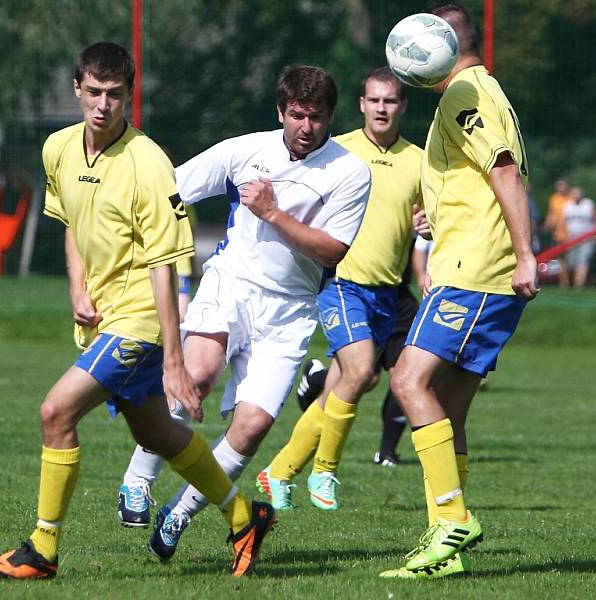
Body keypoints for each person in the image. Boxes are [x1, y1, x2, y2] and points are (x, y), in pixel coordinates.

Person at [0, 42, 273, 580]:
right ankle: (241, 515)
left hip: (139, 319)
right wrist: (77, 287)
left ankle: (42, 550)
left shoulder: (150, 165)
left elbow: (167, 266)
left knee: (56, 413)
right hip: (100, 316)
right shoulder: (59, 148)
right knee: (156, 434)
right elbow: (69, 221)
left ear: (128, 96)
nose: (102, 105)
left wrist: (175, 358)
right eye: (93, 92)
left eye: (114, 95)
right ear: (76, 89)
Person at [117, 65, 371, 560]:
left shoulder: (349, 172)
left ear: (330, 118)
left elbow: (332, 251)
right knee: (195, 377)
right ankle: (136, 482)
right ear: (280, 112)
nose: (305, 126)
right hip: (230, 285)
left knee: (252, 426)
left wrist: (273, 212)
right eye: (296, 115)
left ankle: (179, 513)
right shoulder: (244, 151)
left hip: (291, 312)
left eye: (315, 117)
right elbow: (169, 191)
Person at [378, 4, 539, 580]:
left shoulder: (463, 95)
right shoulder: (484, 88)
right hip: (481, 268)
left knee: (406, 381)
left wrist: (525, 254)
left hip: (474, 275)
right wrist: (438, 218)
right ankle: (448, 550)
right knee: (448, 406)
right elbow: (483, 177)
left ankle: (450, 520)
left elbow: (503, 173)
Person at [256, 67, 424, 511]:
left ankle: (278, 472)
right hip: (342, 282)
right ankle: (325, 471)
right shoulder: (338, 151)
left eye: (390, 101)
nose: (382, 108)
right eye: (374, 100)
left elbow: (426, 218)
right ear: (362, 105)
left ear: (402, 106)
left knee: (344, 387)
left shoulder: (419, 160)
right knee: (362, 371)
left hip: (390, 291)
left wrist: (425, 223)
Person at [295, 241, 422, 469]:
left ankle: (386, 452)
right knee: (365, 377)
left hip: (397, 297)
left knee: (404, 375)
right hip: (358, 292)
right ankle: (315, 380)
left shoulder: (413, 205)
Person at [563, 186, 596, 288]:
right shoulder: (567, 205)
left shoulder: (588, 204)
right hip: (572, 238)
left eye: (578, 194)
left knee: (583, 260)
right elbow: (564, 223)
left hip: (586, 238)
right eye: (574, 194)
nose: (576, 196)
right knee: (571, 262)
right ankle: (572, 283)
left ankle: (579, 284)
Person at [544, 177, 572, 287]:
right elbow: (551, 214)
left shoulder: (571, 198)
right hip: (559, 232)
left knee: (571, 258)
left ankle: (573, 280)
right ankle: (564, 282)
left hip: (571, 232)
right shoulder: (554, 199)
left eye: (563, 185)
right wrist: (547, 226)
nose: (561, 187)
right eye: (559, 185)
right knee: (562, 258)